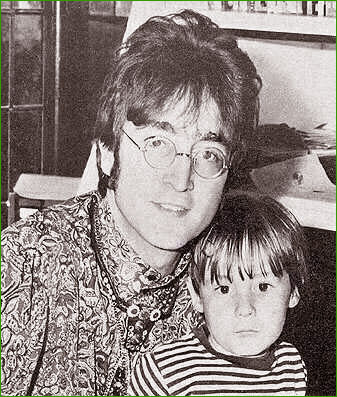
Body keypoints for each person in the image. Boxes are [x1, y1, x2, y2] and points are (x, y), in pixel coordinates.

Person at [1, 10, 261, 396]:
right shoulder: (23, 268)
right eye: (158, 143)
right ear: (107, 151)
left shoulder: (234, 285)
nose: (181, 179)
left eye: (208, 153)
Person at [129, 194, 308, 396]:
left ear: (293, 291)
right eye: (224, 289)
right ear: (197, 295)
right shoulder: (164, 372)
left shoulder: (290, 366)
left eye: (263, 286)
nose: (245, 309)